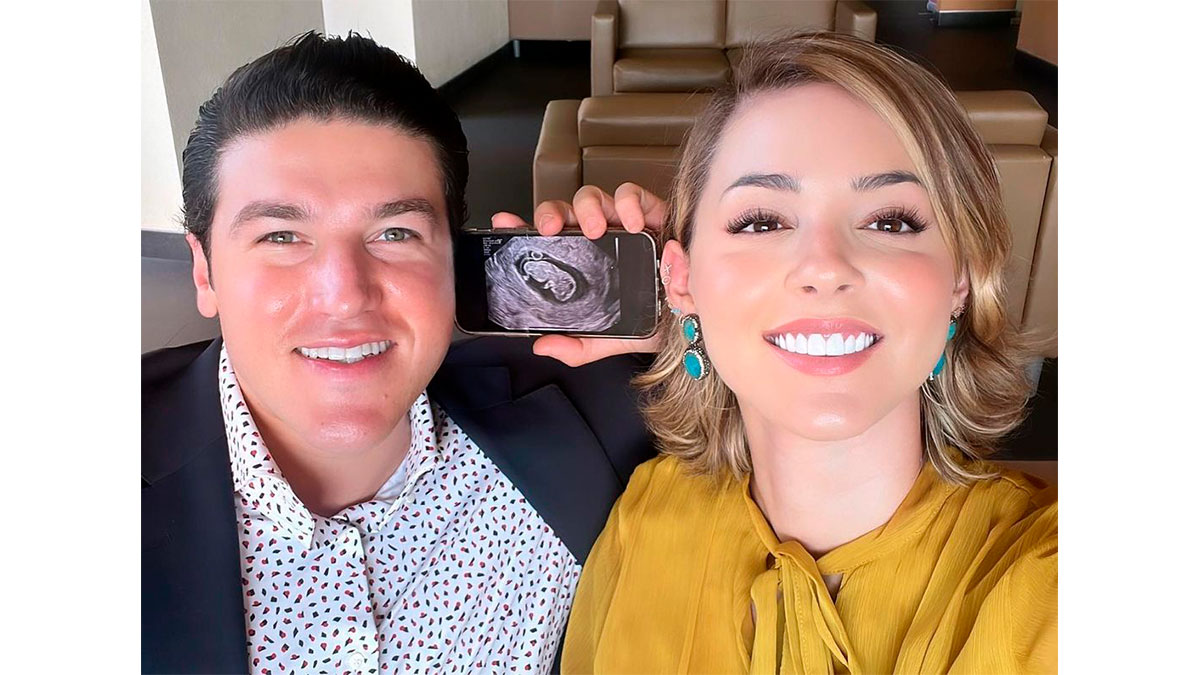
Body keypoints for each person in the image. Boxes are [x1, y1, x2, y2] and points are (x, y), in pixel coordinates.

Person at [141, 32, 655, 674]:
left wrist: (691, 300)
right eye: (281, 236)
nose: (344, 296)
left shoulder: (592, 408)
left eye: (394, 233)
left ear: (454, 259)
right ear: (204, 270)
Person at [554, 32, 1058, 673]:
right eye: (761, 222)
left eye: (891, 221)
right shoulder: (641, 514)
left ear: (959, 280)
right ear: (681, 279)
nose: (825, 267)